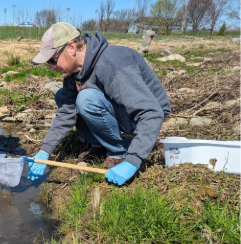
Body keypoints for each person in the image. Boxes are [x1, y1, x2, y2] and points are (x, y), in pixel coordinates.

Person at [28, 23, 171, 185]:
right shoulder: (72, 74)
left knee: (86, 98)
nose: (52, 67)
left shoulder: (111, 63)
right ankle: (101, 144)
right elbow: (66, 113)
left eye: (53, 60)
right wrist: (44, 151)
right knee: (62, 96)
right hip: (118, 109)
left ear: (71, 47)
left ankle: (120, 152)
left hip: (141, 117)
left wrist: (133, 160)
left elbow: (151, 112)